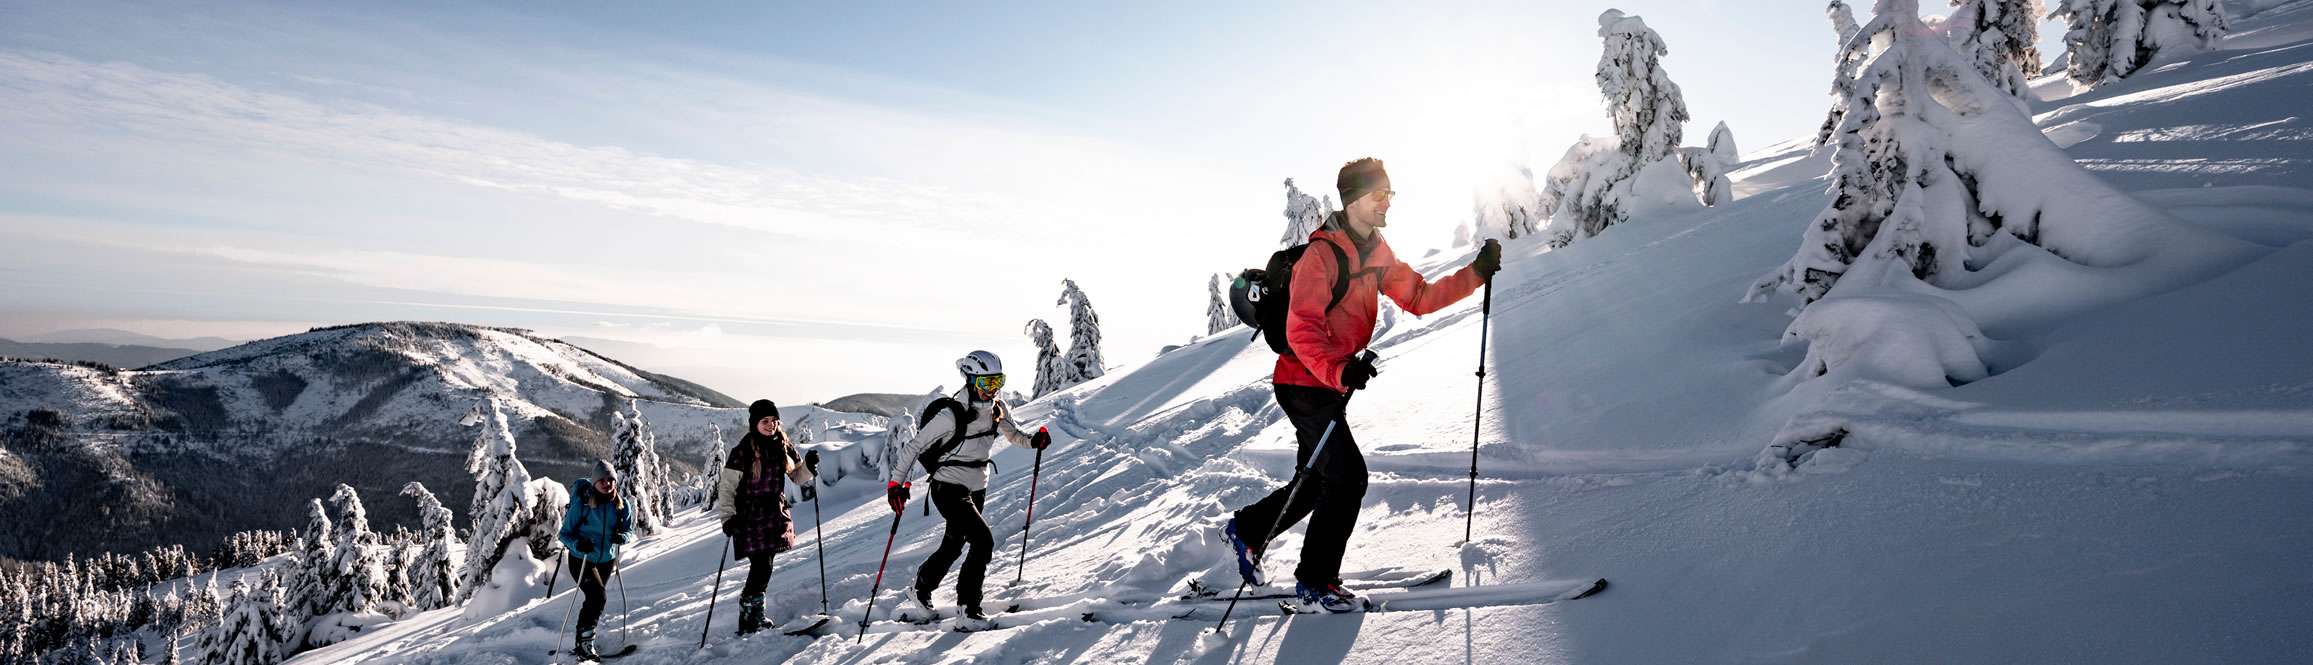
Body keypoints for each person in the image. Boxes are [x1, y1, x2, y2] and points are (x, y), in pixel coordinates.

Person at [1222, 157, 1502, 612]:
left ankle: (1248, 531)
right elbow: (1301, 331)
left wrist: (1475, 273)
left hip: (1328, 382)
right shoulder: (1321, 257)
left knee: (1317, 480)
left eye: (1390, 193)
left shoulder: (1376, 252)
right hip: (1303, 382)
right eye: (1379, 194)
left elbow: (1419, 297)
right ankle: (1314, 583)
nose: (1387, 202)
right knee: (1347, 478)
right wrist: (1338, 370)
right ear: (1353, 200)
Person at [885, 350, 1053, 621]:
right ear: (971, 380)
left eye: (998, 381)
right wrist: (896, 484)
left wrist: (1033, 441)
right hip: (948, 487)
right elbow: (915, 446)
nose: (993, 389)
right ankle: (968, 608)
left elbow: (1014, 435)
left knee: (954, 544)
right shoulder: (951, 415)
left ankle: (920, 587)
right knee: (983, 541)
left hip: (977, 487)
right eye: (987, 382)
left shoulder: (997, 408)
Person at [716, 399, 818, 635]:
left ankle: (752, 616)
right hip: (749, 517)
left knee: (765, 566)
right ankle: (751, 617)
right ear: (755, 423)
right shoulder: (742, 451)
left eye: (774, 420)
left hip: (774, 514)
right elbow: (728, 488)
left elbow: (797, 477)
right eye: (765, 421)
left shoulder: (782, 445)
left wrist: (809, 467)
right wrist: (728, 518)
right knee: (761, 566)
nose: (771, 425)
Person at [557, 459, 635, 661]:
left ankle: (583, 641)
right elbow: (563, 534)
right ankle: (585, 644)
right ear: (594, 482)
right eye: (602, 480)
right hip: (581, 559)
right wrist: (578, 544)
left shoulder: (621, 504)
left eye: (610, 479)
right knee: (597, 597)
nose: (607, 483)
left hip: (607, 560)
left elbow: (628, 529)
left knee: (595, 599)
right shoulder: (583, 505)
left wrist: (622, 537)